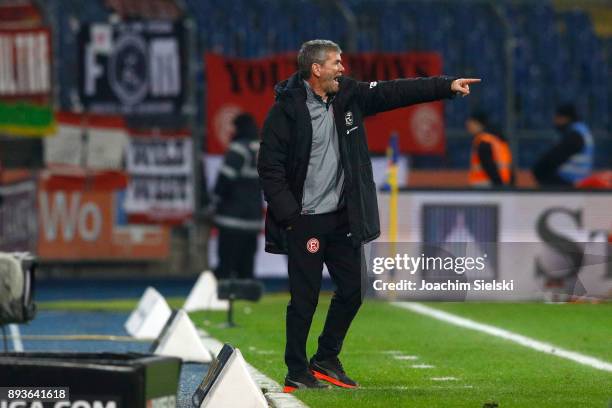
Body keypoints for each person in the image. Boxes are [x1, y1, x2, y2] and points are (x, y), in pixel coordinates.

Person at [257, 39, 480, 392]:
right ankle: (296, 370)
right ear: (316, 69)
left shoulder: (347, 95)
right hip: (307, 219)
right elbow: (269, 168)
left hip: (343, 216)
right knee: (305, 299)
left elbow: (394, 92)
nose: (342, 68)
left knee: (354, 289)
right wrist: (291, 217)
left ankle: (326, 358)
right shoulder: (285, 110)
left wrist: (445, 86)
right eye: (335, 62)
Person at [212, 113, 263, 280]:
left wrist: (214, 204)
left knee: (225, 269)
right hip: (253, 220)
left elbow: (224, 182)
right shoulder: (263, 148)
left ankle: (222, 303)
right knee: (246, 270)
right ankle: (246, 304)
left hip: (231, 219)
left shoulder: (238, 149)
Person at [532, 104, 594, 187]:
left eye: (557, 118)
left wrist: (538, 170)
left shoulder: (575, 136)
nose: (554, 121)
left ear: (565, 118)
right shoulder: (582, 132)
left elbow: (552, 158)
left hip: (569, 183)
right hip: (577, 181)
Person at [466, 111, 513, 187]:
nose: (468, 126)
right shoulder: (498, 139)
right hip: (504, 184)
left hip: (486, 187)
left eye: (470, 123)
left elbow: (489, 165)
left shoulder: (483, 141)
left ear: (478, 123)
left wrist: (499, 185)